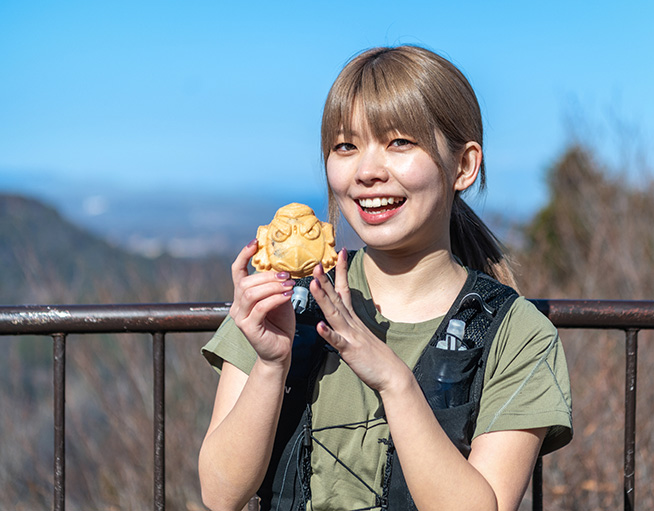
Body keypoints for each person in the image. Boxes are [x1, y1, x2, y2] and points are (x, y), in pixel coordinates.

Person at [198, 45, 572, 511]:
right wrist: (271, 366)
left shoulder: (515, 334)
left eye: (400, 142)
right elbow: (219, 493)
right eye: (345, 146)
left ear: (464, 166)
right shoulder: (283, 299)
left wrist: (396, 381)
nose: (368, 172)